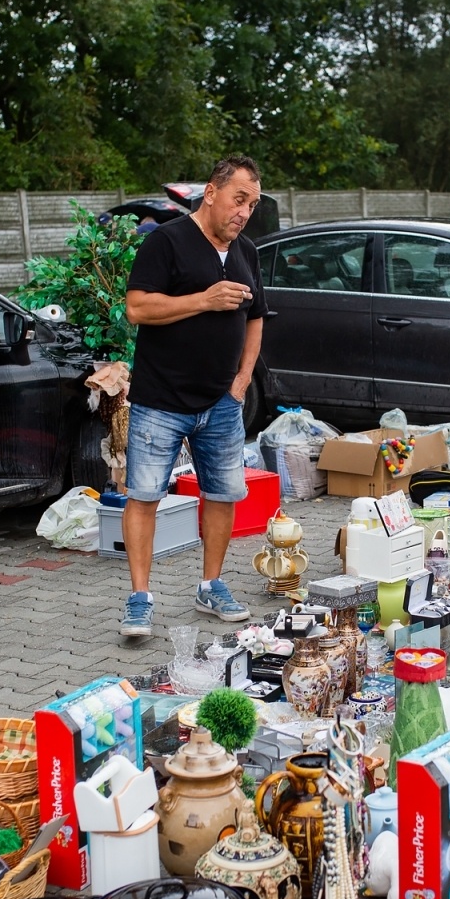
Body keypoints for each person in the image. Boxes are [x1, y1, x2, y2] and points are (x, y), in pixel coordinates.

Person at [118, 155, 266, 638]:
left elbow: (256, 317)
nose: (244, 212)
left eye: (253, 204)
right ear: (212, 192)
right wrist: (204, 299)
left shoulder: (246, 252)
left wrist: (242, 381)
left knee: (222, 496)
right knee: (144, 496)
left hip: (221, 404)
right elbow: (137, 308)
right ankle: (140, 598)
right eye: (238, 199)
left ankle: (211, 585)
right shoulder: (166, 241)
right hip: (160, 400)